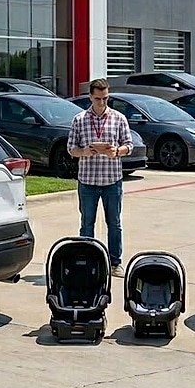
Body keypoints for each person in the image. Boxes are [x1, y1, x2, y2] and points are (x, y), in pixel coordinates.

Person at [67, 78, 134, 277]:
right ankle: (87, 260)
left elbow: (129, 145)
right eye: (98, 99)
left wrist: (117, 151)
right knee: (87, 223)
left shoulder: (119, 118)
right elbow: (71, 148)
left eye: (105, 98)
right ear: (90, 97)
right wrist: (84, 151)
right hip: (87, 180)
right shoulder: (79, 120)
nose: (102, 103)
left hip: (112, 180)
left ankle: (115, 263)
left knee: (114, 223)